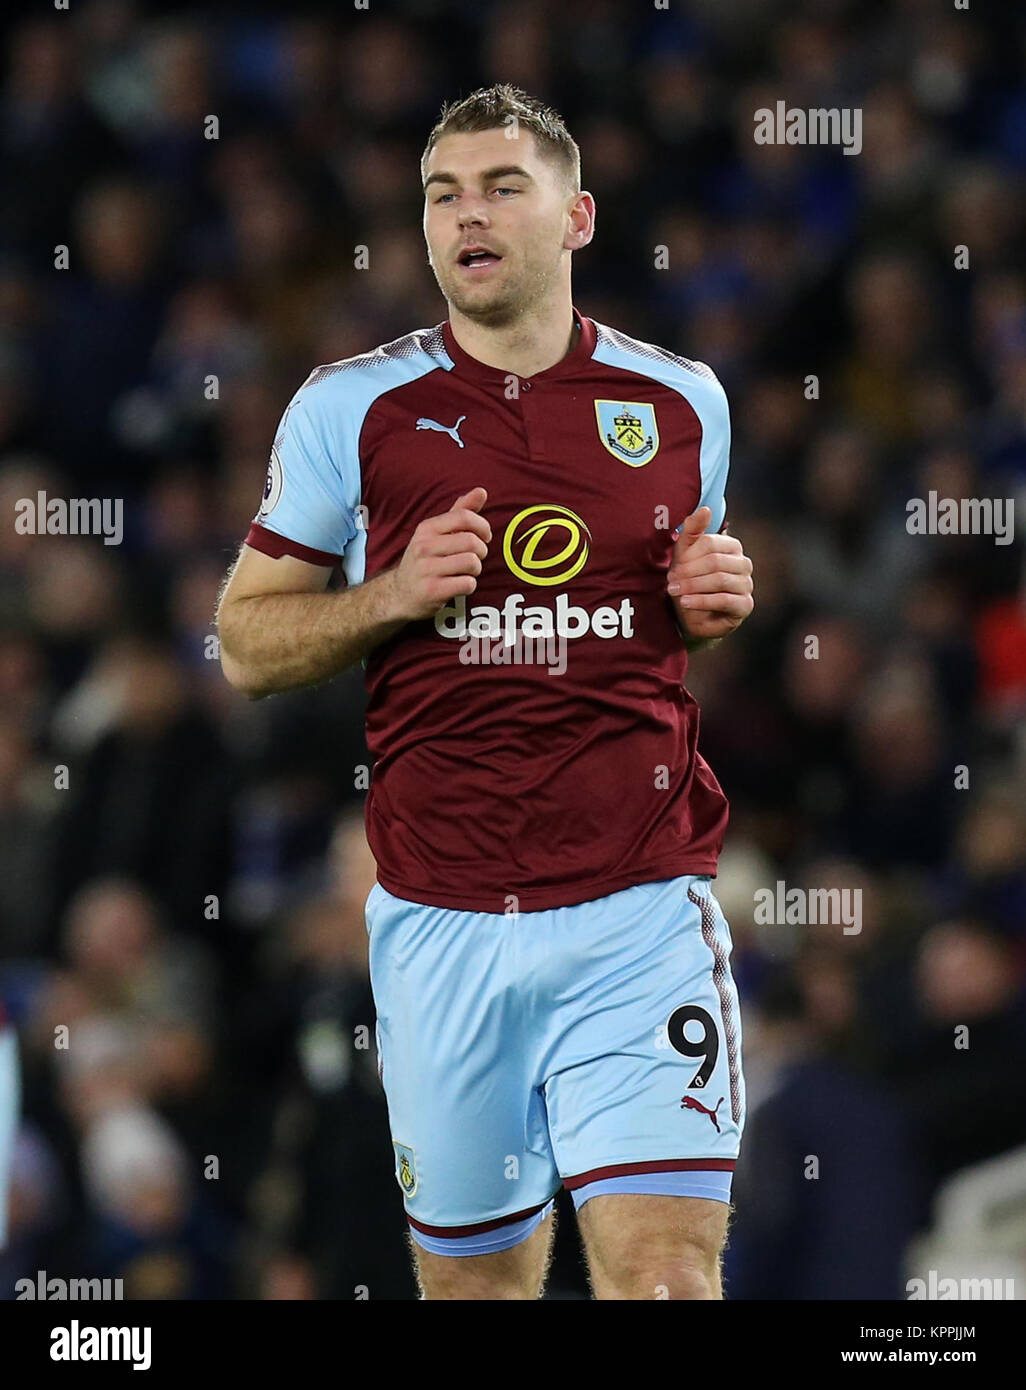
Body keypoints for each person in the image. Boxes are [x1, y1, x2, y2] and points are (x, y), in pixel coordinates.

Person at [216, 84, 754, 1301]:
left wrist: (711, 607)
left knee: (666, 1274)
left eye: (504, 186)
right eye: (443, 193)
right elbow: (245, 644)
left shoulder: (682, 403)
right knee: (477, 1293)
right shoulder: (351, 411)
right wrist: (394, 593)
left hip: (638, 905)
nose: (470, 213)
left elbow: (663, 618)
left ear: (578, 217)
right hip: (444, 920)